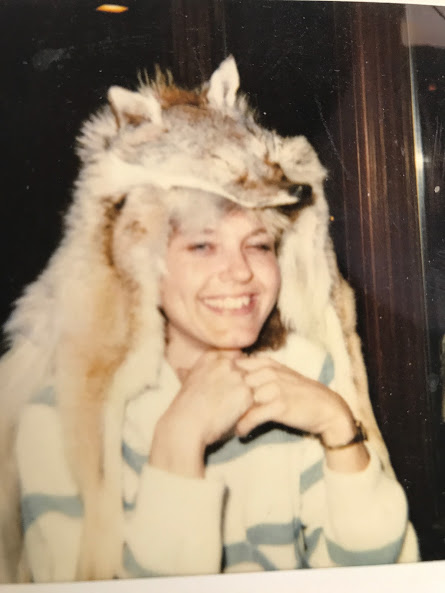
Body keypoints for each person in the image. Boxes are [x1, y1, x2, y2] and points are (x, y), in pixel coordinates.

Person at [0, 56, 418, 583]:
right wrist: (179, 442)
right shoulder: (63, 414)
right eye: (202, 245)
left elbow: (376, 575)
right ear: (141, 261)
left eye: (258, 244)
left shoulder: (304, 370)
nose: (240, 273)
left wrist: (339, 428)